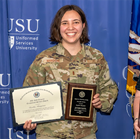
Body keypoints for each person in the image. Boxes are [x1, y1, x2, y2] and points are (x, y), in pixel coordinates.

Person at [22, 5, 118, 139]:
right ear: (58, 27)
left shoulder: (96, 57)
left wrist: (101, 101)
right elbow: (28, 94)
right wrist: (28, 118)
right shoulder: (44, 59)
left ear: (83, 26)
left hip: (85, 134)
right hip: (49, 134)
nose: (70, 27)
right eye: (65, 23)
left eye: (76, 22)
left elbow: (109, 87)